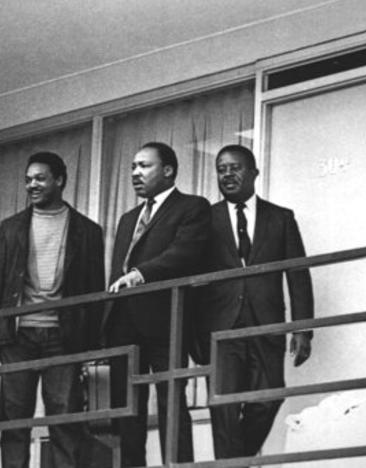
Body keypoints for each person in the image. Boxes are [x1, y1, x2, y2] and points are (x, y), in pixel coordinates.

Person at [0, 151, 104, 468]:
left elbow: (94, 290)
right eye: (28, 179)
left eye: (40, 178)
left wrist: (92, 344)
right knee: (13, 417)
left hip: (64, 337)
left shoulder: (88, 231)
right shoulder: (10, 228)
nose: (31, 185)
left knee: (64, 417)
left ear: (59, 180)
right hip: (17, 337)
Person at [198, 144, 313, 459]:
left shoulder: (281, 218)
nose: (227, 174)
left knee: (268, 398)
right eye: (221, 169)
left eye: (234, 167)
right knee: (223, 404)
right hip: (221, 327)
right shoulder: (205, 218)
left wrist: (303, 329)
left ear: (253, 173)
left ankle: (232, 464)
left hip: (267, 322)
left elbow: (298, 274)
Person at [105, 142, 210, 466]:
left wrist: (140, 275)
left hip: (168, 322)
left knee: (171, 404)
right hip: (124, 325)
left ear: (168, 170)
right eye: (133, 167)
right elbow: (115, 272)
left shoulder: (192, 207)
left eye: (144, 166)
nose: (136, 173)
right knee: (127, 410)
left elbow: (184, 253)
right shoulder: (127, 218)